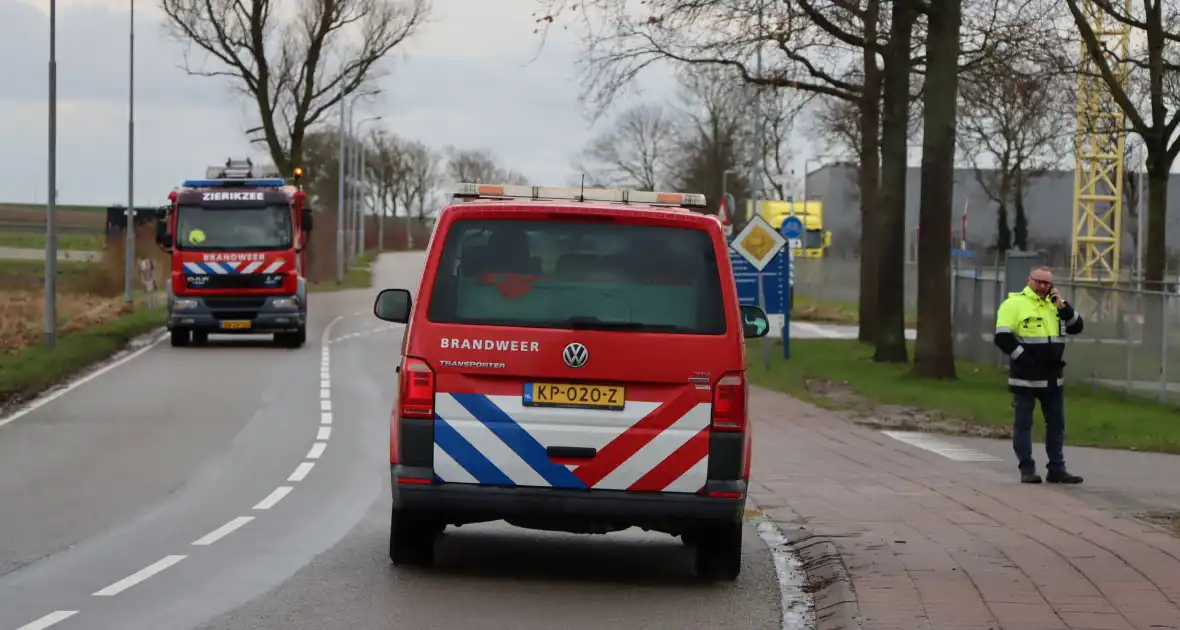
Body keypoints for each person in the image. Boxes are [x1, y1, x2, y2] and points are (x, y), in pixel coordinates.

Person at [993, 265, 1085, 485]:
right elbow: (1003, 337)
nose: (1043, 287)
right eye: (1039, 282)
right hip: (1025, 376)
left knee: (1056, 424)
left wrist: (1062, 306)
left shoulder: (1056, 306)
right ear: (1029, 281)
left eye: (1047, 283)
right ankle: (1027, 469)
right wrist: (1024, 358)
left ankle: (1057, 469)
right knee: (1023, 424)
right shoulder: (1013, 304)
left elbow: (1077, 327)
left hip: (1053, 377)